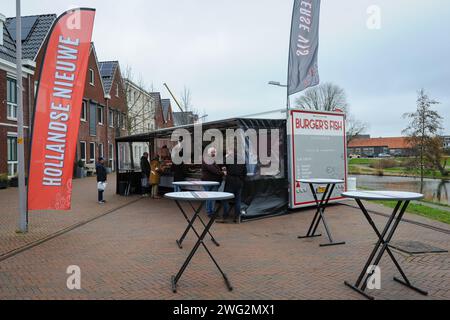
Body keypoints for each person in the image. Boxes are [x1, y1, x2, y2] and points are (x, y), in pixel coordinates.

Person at [219, 149, 247, 224]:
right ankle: (237, 217)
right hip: (239, 181)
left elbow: (221, 163)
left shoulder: (229, 158)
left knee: (225, 199)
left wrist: (226, 156)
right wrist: (241, 180)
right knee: (238, 200)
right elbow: (245, 172)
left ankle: (225, 217)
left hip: (230, 181)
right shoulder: (242, 159)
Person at [201, 147, 224, 216]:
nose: (214, 153)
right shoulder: (207, 159)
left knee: (212, 197)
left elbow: (216, 168)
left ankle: (212, 211)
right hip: (208, 181)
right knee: (209, 197)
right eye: (212, 152)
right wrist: (222, 173)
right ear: (209, 153)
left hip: (214, 181)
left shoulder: (212, 159)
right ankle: (209, 212)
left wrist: (221, 169)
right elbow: (213, 170)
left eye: (214, 152)